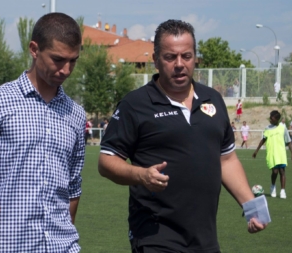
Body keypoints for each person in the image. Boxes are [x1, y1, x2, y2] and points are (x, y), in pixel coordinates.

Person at [98, 19, 266, 253]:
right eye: (170, 57)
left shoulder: (213, 100)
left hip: (204, 238)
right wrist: (141, 175)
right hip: (155, 235)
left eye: (186, 56)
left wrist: (251, 207)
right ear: (156, 60)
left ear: (195, 57)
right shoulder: (135, 104)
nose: (179, 64)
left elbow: (227, 160)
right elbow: (106, 162)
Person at [0, 13, 86, 253]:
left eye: (73, 61)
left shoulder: (76, 114)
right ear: (34, 49)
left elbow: (73, 187)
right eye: (58, 59)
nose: (66, 70)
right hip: (8, 245)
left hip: (63, 247)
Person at [253, 110, 292, 199]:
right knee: (275, 171)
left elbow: (288, 141)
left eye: (272, 118)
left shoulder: (283, 128)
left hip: (281, 153)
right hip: (272, 154)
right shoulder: (267, 128)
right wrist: (256, 151)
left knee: (282, 171)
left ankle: (283, 191)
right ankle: (273, 186)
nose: (270, 120)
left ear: (277, 119)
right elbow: (263, 140)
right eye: (270, 118)